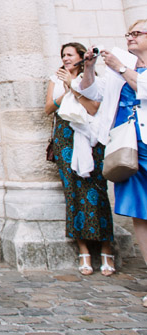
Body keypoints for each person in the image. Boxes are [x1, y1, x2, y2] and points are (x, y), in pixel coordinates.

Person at [80, 20, 147, 307]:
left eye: (136, 33)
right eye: (128, 34)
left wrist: (120, 66)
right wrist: (89, 67)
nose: (130, 38)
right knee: (140, 215)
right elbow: (92, 94)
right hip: (129, 149)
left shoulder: (124, 67)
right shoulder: (120, 70)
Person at [44, 42, 114, 275]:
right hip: (65, 136)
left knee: (97, 189)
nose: (65, 59)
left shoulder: (91, 79)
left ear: (82, 57)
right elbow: (48, 108)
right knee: (72, 190)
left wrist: (72, 86)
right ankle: (83, 251)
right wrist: (64, 88)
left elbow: (94, 108)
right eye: (63, 55)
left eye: (70, 55)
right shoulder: (56, 78)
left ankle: (106, 248)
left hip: (90, 135)